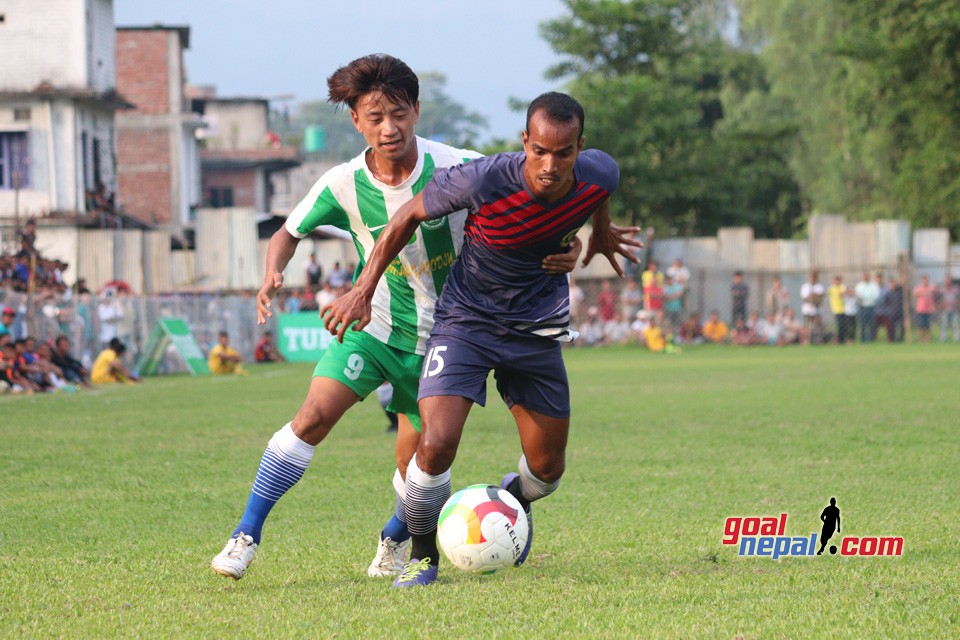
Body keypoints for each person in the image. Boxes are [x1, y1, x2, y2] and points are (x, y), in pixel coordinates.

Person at [209, 56, 586, 582]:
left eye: (399, 113)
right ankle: (245, 536)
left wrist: (568, 247)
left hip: (445, 337)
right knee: (312, 417)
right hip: (373, 327)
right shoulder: (342, 183)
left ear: (416, 111)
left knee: (420, 464)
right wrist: (273, 272)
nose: (390, 128)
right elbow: (288, 231)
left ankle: (394, 536)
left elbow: (539, 207)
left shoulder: (460, 165)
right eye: (376, 116)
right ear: (357, 121)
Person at [322, 91, 638, 588]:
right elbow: (405, 217)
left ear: (581, 147)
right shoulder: (486, 177)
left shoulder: (601, 174)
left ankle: (513, 495)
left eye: (563, 153)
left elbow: (597, 194)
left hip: (535, 330)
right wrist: (362, 290)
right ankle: (424, 557)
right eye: (539, 151)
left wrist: (596, 234)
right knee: (436, 443)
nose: (550, 165)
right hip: (466, 323)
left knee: (548, 471)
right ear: (524, 142)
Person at [800, 270, 825, 345]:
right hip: (807, 309)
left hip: (816, 309)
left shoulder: (819, 286)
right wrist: (812, 297)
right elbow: (805, 298)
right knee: (807, 325)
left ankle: (818, 340)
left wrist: (815, 298)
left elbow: (820, 298)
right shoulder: (805, 286)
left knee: (817, 326)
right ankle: (806, 340)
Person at [854, 272, 881, 342]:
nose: (866, 278)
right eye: (864, 277)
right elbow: (857, 295)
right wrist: (864, 298)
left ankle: (871, 338)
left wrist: (865, 297)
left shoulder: (874, 285)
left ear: (869, 277)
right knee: (863, 323)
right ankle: (863, 338)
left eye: (867, 276)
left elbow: (876, 296)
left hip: (872, 306)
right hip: (862, 306)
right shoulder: (859, 286)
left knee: (871, 323)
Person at [912, 275, 937, 343]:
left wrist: (924, 292)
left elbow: (934, 290)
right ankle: (921, 340)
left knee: (928, 326)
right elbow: (914, 293)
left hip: (929, 310)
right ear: (921, 281)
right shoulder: (918, 288)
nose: (925, 282)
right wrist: (924, 292)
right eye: (923, 281)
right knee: (921, 326)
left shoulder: (931, 287)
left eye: (926, 280)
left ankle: (928, 340)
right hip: (920, 310)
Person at [939, 279, 960, 343]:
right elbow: (939, 299)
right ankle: (943, 338)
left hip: (954, 309)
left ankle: (956, 338)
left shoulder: (955, 289)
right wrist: (942, 304)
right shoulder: (942, 290)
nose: (948, 283)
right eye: (946, 281)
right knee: (944, 324)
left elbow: (958, 298)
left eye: (949, 281)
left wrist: (957, 304)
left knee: (955, 324)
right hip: (945, 310)